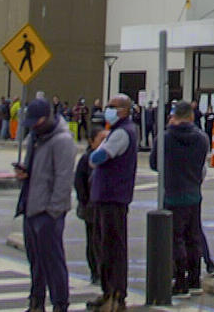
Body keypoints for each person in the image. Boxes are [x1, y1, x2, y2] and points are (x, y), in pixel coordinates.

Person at [14, 97, 76, 312]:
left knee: (53, 261)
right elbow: (35, 172)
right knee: (36, 262)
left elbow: (63, 179)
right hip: (30, 206)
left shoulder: (62, 141)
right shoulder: (35, 138)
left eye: (36, 122)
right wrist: (23, 174)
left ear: (47, 118)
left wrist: (53, 211)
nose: (33, 127)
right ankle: (36, 301)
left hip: (48, 212)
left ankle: (60, 303)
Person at [150, 101, 209, 295]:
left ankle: (180, 279)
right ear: (191, 116)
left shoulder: (165, 137)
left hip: (173, 192)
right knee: (193, 238)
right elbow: (202, 164)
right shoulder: (202, 138)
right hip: (194, 192)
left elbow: (154, 163)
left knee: (176, 239)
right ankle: (194, 279)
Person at [87, 95, 138, 312]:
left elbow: (98, 157)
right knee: (104, 246)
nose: (107, 110)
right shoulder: (118, 131)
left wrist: (95, 152)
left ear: (124, 111)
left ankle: (116, 294)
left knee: (112, 247)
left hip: (112, 197)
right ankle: (108, 290)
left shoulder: (120, 134)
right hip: (107, 196)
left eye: (112, 107)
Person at [75, 128, 105, 284]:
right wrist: (86, 202)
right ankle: (96, 272)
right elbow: (79, 183)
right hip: (91, 207)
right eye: (101, 139)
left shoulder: (106, 157)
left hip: (104, 207)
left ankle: (102, 271)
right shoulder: (87, 159)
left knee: (104, 240)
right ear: (92, 141)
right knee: (93, 241)